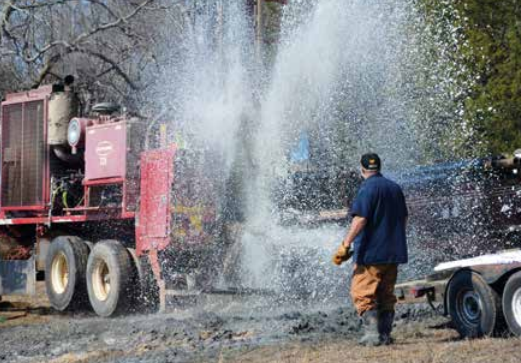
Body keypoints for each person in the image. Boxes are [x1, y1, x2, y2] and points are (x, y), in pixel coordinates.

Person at [333, 153, 408, 346]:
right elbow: (404, 219)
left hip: (371, 255)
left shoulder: (367, 189)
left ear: (362, 169)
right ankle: (385, 335)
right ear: (379, 167)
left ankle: (372, 335)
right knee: (386, 295)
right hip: (393, 253)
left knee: (363, 293)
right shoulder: (394, 187)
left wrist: (346, 244)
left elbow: (360, 219)